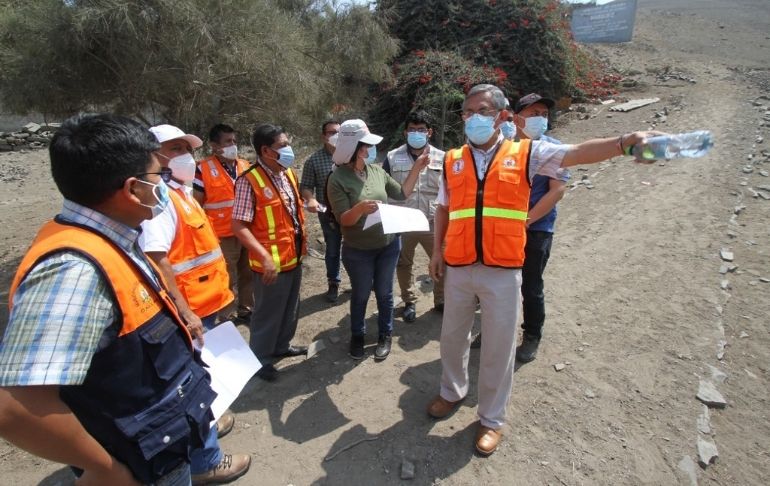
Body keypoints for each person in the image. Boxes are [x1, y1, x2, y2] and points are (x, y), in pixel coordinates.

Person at [427, 84, 663, 456]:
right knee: (452, 339)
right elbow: (443, 208)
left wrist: (623, 142)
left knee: (498, 349)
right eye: (467, 112)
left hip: (502, 269)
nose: (473, 118)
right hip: (458, 266)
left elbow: (577, 153)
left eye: (483, 111)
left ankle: (491, 419)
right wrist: (437, 252)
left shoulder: (528, 152)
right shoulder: (454, 159)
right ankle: (450, 392)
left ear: (504, 116)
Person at [0, 114, 218, 485]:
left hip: (159, 447)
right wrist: (103, 469)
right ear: (133, 189)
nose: (165, 185)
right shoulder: (73, 271)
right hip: (139, 467)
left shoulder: (114, 236)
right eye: (159, 177)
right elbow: (14, 408)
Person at [140, 124, 250, 485]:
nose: (185, 155)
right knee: (192, 384)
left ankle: (213, 420)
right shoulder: (159, 198)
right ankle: (206, 461)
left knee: (205, 378)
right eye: (175, 148)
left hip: (207, 300)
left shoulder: (180, 191)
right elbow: (158, 259)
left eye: (186, 147)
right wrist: (183, 311)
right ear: (153, 156)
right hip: (189, 309)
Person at [471, 93, 568, 362]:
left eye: (544, 114)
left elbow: (557, 191)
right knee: (498, 284)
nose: (540, 118)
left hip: (536, 229)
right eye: (534, 112)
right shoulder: (504, 147)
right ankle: (492, 331)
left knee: (530, 286)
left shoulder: (552, 148)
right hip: (501, 230)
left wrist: (526, 220)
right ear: (518, 116)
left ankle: (532, 334)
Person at [326, 119, 430, 361]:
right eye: (366, 146)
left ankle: (385, 334)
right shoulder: (337, 179)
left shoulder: (377, 171)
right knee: (361, 295)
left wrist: (417, 168)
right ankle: (358, 336)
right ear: (355, 148)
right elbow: (344, 220)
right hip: (358, 250)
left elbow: (402, 194)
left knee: (384, 294)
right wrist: (360, 209)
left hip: (388, 245)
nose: (371, 150)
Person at [232, 124, 308, 382]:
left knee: (289, 308)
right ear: (265, 150)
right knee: (266, 314)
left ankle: (281, 347)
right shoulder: (249, 181)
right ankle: (260, 360)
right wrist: (264, 258)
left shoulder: (287, 174)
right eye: (283, 145)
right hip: (269, 264)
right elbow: (239, 225)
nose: (289, 150)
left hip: (293, 257)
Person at [383, 110, 445, 322]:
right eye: (412, 129)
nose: (416, 133)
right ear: (405, 133)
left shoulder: (443, 158)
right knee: (403, 263)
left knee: (441, 261)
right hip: (403, 220)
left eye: (421, 129)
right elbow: (385, 189)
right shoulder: (392, 157)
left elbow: (450, 191)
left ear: (429, 132)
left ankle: (441, 300)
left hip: (432, 221)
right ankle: (409, 300)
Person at [194, 123, 254, 323]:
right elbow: (197, 205)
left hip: (247, 229)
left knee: (248, 272)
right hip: (221, 234)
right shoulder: (202, 169)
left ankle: (247, 308)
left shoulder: (245, 165)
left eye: (234, 141)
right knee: (226, 275)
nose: (233, 145)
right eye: (228, 141)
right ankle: (225, 315)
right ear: (214, 145)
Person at [300, 120, 343, 303]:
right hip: (328, 214)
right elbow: (306, 186)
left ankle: (363, 281)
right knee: (332, 250)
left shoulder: (351, 156)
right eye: (331, 132)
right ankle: (333, 283)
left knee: (358, 247)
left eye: (339, 132)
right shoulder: (314, 160)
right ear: (323, 136)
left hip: (353, 210)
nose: (335, 135)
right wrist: (311, 199)